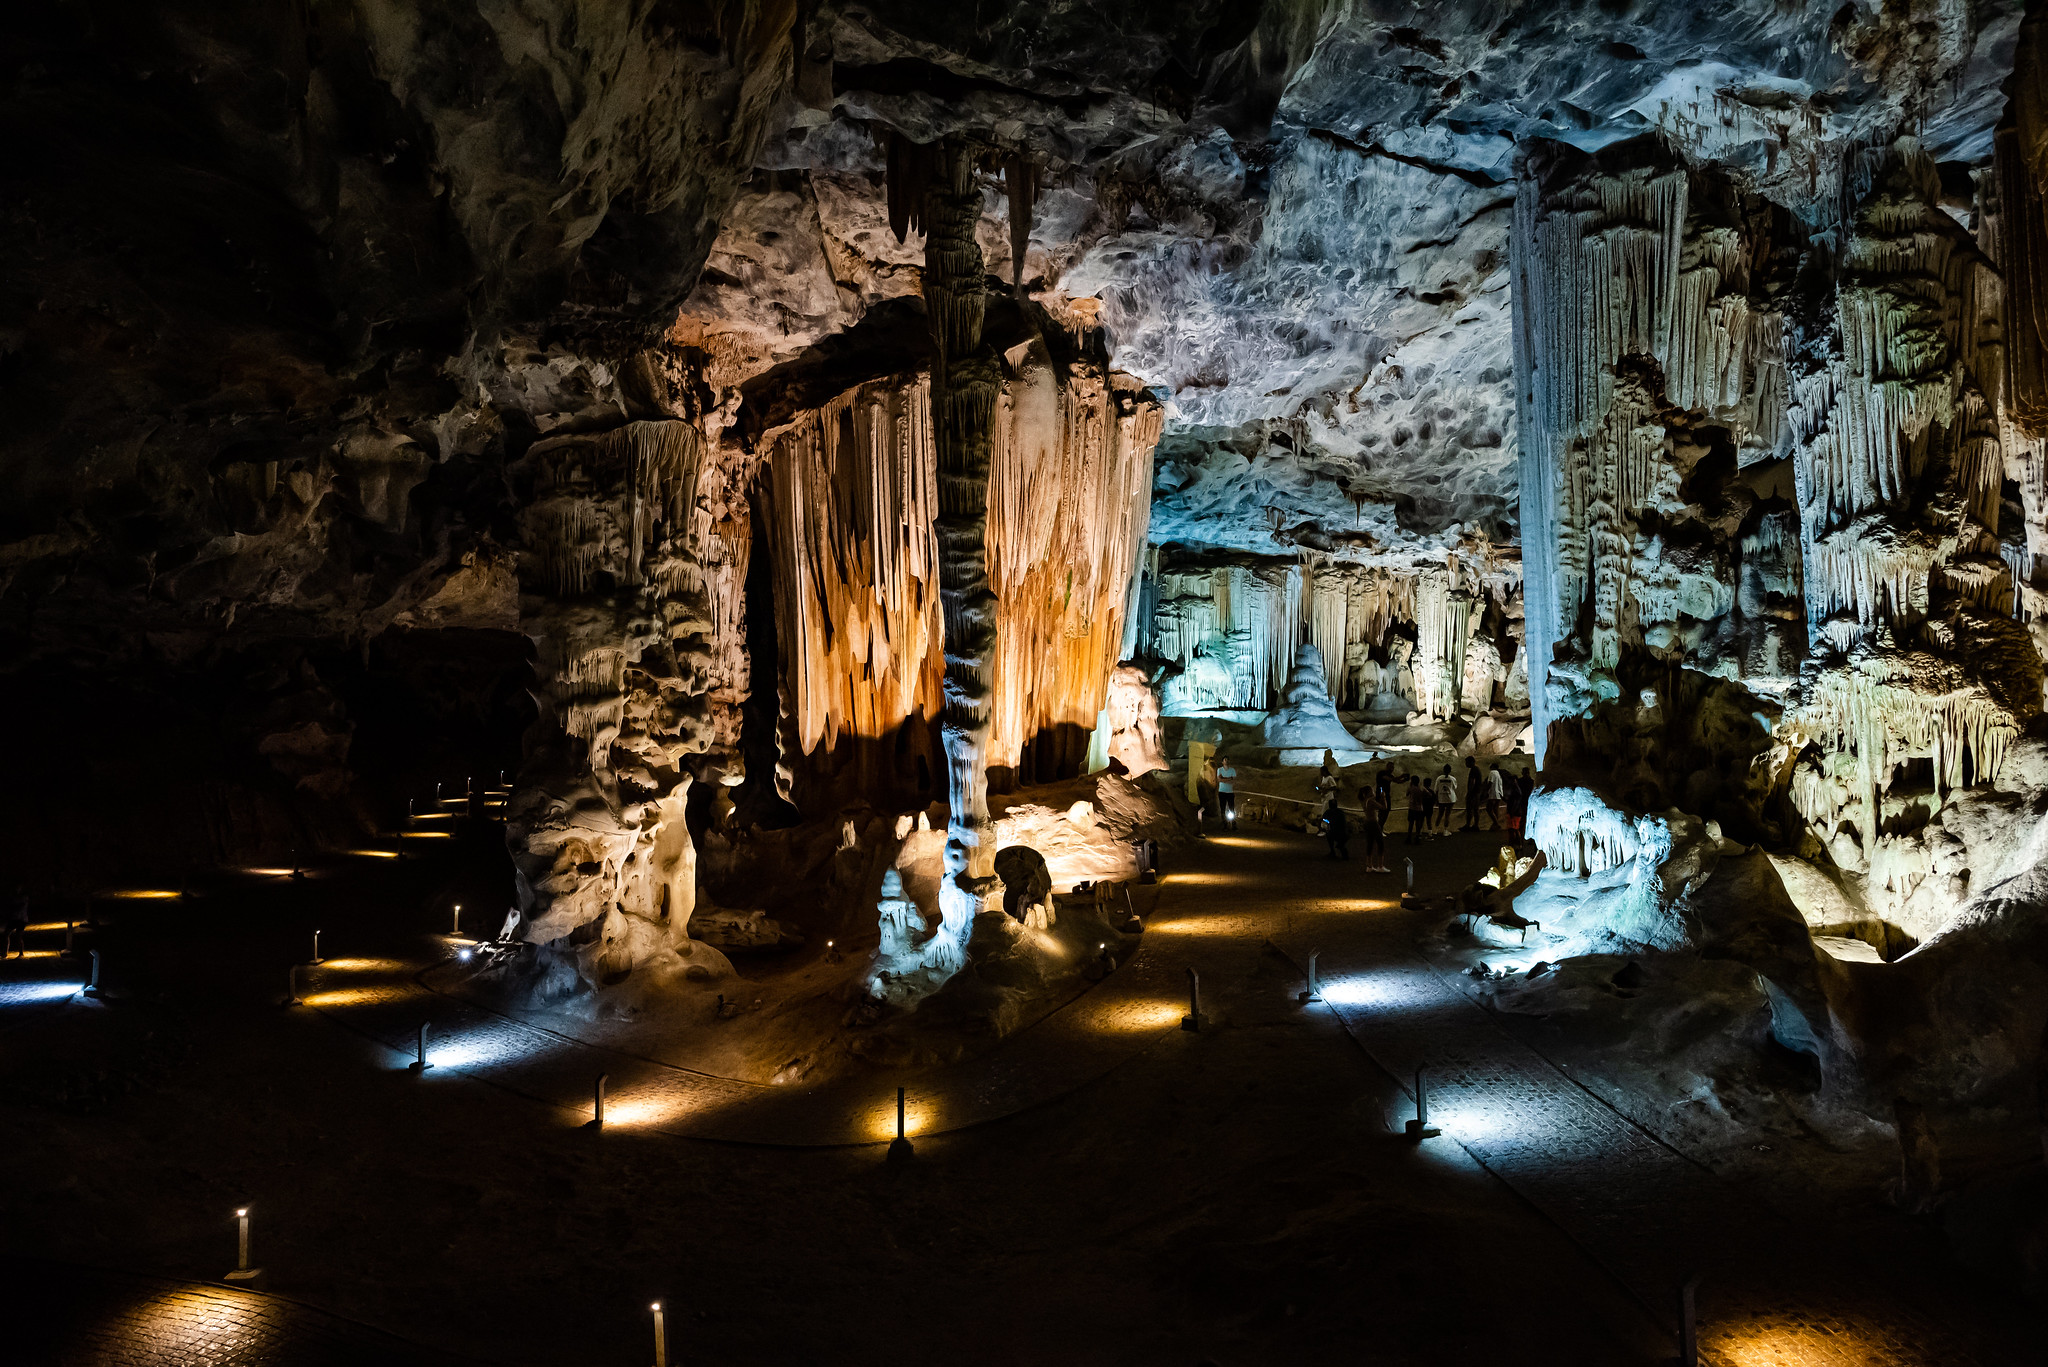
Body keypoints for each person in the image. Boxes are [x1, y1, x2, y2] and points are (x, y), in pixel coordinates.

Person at [1358, 783, 1388, 872]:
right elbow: (1384, 808)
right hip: (1373, 823)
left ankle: (1369, 866)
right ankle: (1380, 866)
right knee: (1380, 843)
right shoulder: (1371, 801)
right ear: (1369, 792)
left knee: (1370, 843)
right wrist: (1384, 798)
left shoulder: (1364, 800)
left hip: (1367, 823)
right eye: (1372, 790)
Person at [1433, 765, 1459, 835]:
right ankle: (1445, 830)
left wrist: (1436, 799)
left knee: (1440, 814)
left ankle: (1435, 829)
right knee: (1447, 815)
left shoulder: (1439, 778)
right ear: (1450, 770)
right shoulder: (1452, 779)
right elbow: (1455, 787)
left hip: (1441, 798)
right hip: (1450, 798)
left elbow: (1436, 789)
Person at [1405, 775, 1429, 845]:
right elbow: (1429, 794)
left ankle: (1409, 838)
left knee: (1411, 823)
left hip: (1412, 808)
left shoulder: (1411, 788)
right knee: (1418, 824)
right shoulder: (1421, 788)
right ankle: (1417, 838)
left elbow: (1407, 794)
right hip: (1419, 808)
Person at [1463, 757, 1484, 831]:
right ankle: (1475, 825)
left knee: (1470, 809)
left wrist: (1469, 793)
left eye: (1467, 762)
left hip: (1473, 793)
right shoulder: (1476, 769)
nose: (1466, 764)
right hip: (1477, 792)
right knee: (1475, 809)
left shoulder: (1473, 770)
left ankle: (1468, 825)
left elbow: (1472, 782)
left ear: (1471, 762)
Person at [1215, 757, 1237, 825]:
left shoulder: (1232, 770)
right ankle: (1224, 823)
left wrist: (1223, 778)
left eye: (1227, 760)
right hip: (1222, 791)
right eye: (1225, 760)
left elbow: (1233, 780)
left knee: (1231, 808)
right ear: (1222, 762)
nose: (1226, 761)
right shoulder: (1220, 769)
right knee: (1223, 808)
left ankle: (1233, 823)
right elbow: (1219, 780)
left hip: (1230, 792)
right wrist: (1229, 778)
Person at [1484, 762, 1506, 830]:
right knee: (1495, 809)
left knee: (1489, 809)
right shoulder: (1498, 774)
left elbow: (1490, 782)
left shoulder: (1492, 773)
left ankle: (1496, 823)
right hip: (1498, 794)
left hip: (1493, 794)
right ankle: (1495, 825)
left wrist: (1486, 791)